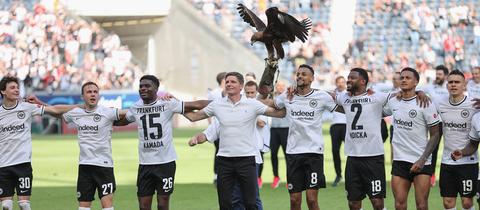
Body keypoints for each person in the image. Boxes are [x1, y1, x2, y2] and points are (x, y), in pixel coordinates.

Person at [183, 71, 285, 210]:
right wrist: (174, 106)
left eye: (233, 82)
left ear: (241, 86)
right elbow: (194, 117)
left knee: (251, 203)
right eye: (227, 82)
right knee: (225, 203)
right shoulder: (217, 105)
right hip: (224, 161)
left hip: (247, 160)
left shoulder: (252, 104)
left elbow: (279, 113)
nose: (229, 84)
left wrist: (287, 99)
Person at [114, 75, 209, 210]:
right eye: (141, 86)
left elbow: (196, 105)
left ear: (156, 89)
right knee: (143, 205)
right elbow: (123, 121)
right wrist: (106, 122)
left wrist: (222, 103)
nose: (143, 89)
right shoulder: (135, 107)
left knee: (163, 204)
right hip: (145, 163)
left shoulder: (167, 104)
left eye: (147, 86)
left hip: (165, 163)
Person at [0, 76, 79, 210]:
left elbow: (54, 110)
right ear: (3, 91)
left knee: (24, 205)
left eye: (17, 87)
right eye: (12, 88)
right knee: (6, 206)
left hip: (22, 164)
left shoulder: (27, 107)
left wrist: (80, 106)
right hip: (3, 165)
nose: (17, 90)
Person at [272, 64, 338, 210]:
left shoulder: (321, 96)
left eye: (304, 74)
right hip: (293, 153)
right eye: (298, 74)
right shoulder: (288, 95)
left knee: (312, 200)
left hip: (314, 153)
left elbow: (343, 107)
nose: (300, 76)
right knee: (295, 200)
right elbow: (273, 104)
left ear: (312, 78)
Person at [61, 82, 127, 210]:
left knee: (107, 206)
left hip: (104, 166)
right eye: (89, 92)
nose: (93, 94)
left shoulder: (107, 112)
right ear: (82, 96)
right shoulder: (76, 113)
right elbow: (57, 111)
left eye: (95, 92)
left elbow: (130, 113)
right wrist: (41, 105)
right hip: (85, 166)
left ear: (99, 95)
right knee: (83, 207)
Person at [383, 67, 441, 210]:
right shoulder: (393, 100)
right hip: (400, 161)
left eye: (408, 78)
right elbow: (375, 109)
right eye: (401, 77)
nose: (403, 80)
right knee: (399, 205)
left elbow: (435, 134)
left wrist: (422, 160)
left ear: (416, 82)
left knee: (421, 205)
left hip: (421, 161)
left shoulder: (425, 103)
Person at [335, 68, 390, 210]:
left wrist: (420, 93)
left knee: (377, 202)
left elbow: (401, 95)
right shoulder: (344, 97)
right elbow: (327, 96)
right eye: (348, 77)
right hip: (353, 158)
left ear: (363, 81)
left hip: (373, 157)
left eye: (352, 78)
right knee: (353, 203)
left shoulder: (377, 97)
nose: (348, 80)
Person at [438, 70, 478, 210]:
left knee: (467, 202)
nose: (453, 85)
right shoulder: (440, 104)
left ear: (464, 85)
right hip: (447, 160)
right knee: (448, 202)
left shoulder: (474, 105)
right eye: (450, 82)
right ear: (447, 85)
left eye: (457, 82)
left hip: (468, 161)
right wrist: (420, 93)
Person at [424, 65, 450, 186]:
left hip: (449, 122)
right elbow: (419, 90)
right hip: (436, 122)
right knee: (433, 148)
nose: (437, 76)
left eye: (439, 74)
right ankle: (431, 174)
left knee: (450, 147)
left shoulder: (450, 86)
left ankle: (451, 174)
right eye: (436, 74)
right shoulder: (431, 87)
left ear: (445, 75)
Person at [207, 72, 227, 186]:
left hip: (228, 127)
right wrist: (211, 124)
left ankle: (223, 175)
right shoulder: (214, 93)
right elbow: (209, 110)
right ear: (222, 80)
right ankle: (217, 175)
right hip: (217, 127)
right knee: (219, 151)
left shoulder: (230, 92)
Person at [269, 80, 289, 189]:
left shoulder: (288, 97)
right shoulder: (272, 97)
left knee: (287, 155)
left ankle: (289, 177)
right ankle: (276, 176)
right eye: (278, 86)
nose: (280, 88)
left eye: (282, 86)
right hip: (274, 129)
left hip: (286, 128)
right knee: (273, 154)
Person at [330, 76, 347, 187]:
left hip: (347, 126)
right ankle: (338, 174)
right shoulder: (332, 94)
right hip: (335, 126)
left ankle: (351, 175)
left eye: (342, 82)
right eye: (338, 82)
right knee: (335, 152)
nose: (340, 84)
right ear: (336, 83)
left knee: (350, 152)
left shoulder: (349, 94)